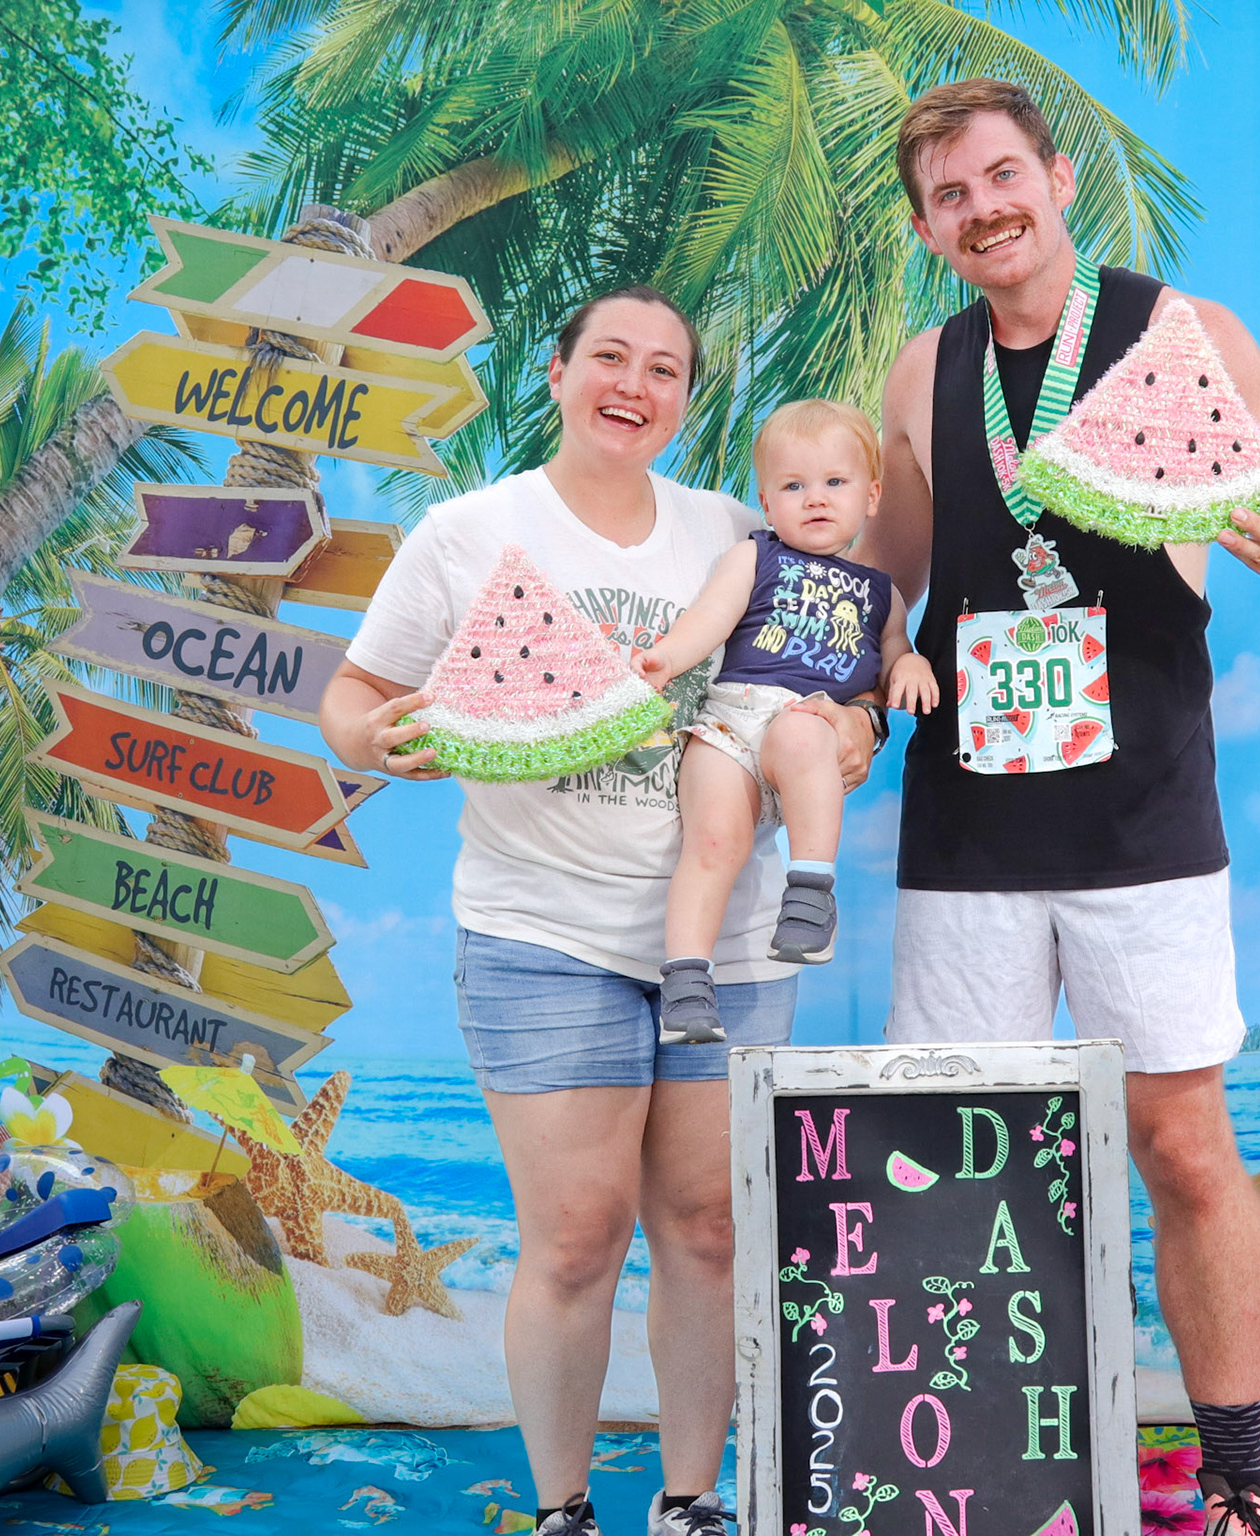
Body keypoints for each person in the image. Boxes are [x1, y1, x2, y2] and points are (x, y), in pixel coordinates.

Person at [859, 80, 1260, 1536]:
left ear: (1059, 176)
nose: (985, 210)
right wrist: (828, 691)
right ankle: (979, 1481)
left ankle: (1235, 1476)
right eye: (951, 196)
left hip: (1144, 819)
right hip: (965, 830)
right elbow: (892, 582)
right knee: (968, 1165)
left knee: (1185, 1151)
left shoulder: (1186, 335)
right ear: (927, 228)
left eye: (1003, 175)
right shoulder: (919, 373)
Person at [317, 288, 879, 1536]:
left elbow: (836, 676)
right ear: (558, 371)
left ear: (686, 399)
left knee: (709, 1230)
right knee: (575, 1240)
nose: (635, 384)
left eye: (665, 368)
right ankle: (564, 1509)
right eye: (610, 358)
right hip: (544, 935)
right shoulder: (470, 534)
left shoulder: (738, 529)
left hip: (730, 942)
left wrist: (858, 723)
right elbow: (351, 698)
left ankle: (689, 1502)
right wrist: (379, 740)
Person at [634, 400, 935, 1042]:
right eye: (793, 486)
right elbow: (710, 618)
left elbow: (892, 656)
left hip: (805, 730)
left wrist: (910, 663)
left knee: (802, 729)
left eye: (835, 482)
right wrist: (667, 658)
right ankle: (686, 981)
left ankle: (810, 893)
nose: (815, 498)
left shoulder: (883, 593)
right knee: (712, 843)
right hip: (730, 723)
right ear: (767, 505)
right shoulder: (755, 557)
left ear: (871, 496)